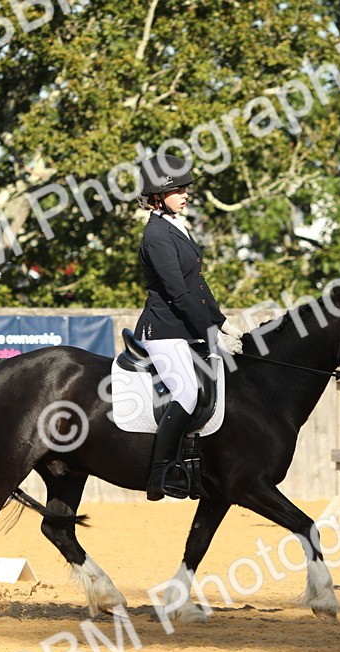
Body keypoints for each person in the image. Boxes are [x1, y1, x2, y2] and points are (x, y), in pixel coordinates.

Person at [134, 154, 243, 501]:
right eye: (177, 189)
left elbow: (196, 282)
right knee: (186, 393)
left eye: (184, 188)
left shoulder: (176, 227)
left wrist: (222, 321)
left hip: (184, 329)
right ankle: (159, 474)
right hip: (163, 330)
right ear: (157, 196)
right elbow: (178, 293)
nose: (185, 194)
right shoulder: (156, 235)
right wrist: (211, 334)